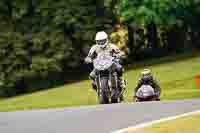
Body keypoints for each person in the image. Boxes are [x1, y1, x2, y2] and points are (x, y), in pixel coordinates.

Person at [84, 31, 126, 100]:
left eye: (102, 41)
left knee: (119, 68)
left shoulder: (112, 46)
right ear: (96, 41)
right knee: (91, 76)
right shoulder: (94, 48)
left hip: (110, 63)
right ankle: (96, 86)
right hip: (99, 65)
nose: (101, 43)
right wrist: (88, 59)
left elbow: (120, 52)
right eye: (99, 41)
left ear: (106, 40)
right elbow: (89, 56)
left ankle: (121, 81)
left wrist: (119, 54)